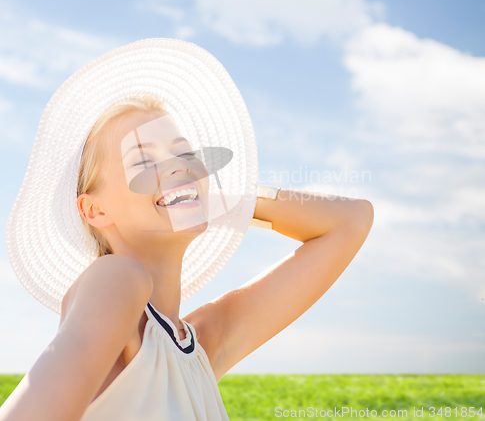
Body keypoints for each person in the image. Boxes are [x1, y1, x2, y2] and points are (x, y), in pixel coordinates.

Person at [0, 39, 374, 421]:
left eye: (183, 154)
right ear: (94, 209)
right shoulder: (115, 279)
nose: (178, 167)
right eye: (144, 160)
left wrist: (212, 196)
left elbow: (350, 221)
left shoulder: (200, 346)